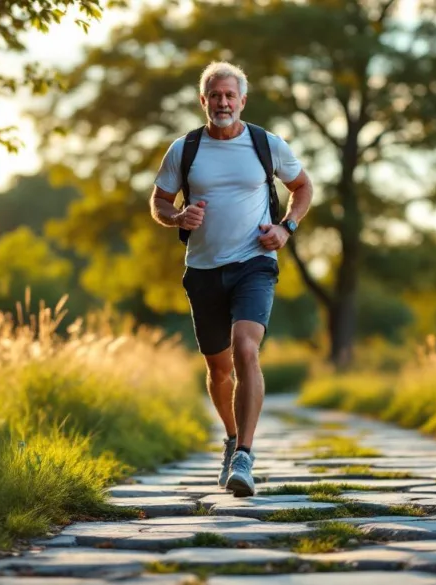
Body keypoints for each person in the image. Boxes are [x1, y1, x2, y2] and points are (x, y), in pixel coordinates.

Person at [149, 61, 313, 497]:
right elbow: (159, 202)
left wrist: (285, 227)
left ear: (242, 100)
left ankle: (245, 454)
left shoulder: (266, 144)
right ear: (204, 101)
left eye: (230, 95)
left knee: (246, 348)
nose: (223, 102)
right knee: (218, 370)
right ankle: (229, 437)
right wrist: (178, 216)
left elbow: (303, 187)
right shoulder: (184, 149)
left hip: (254, 264)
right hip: (203, 269)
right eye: (215, 96)